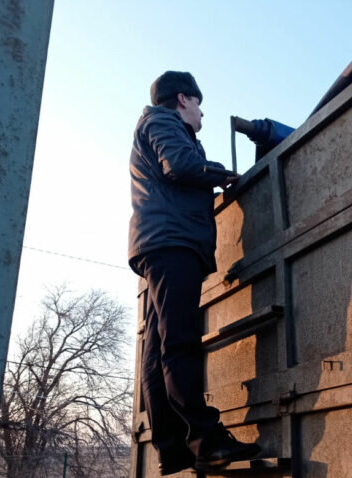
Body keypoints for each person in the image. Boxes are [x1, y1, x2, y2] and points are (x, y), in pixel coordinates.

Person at [128, 71, 261, 474]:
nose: (201, 115)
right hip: (173, 242)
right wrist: (223, 174)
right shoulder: (163, 121)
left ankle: (173, 448)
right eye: (199, 105)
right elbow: (181, 165)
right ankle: (206, 440)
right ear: (183, 99)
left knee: (158, 351)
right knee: (180, 343)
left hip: (159, 243)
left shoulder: (150, 126)